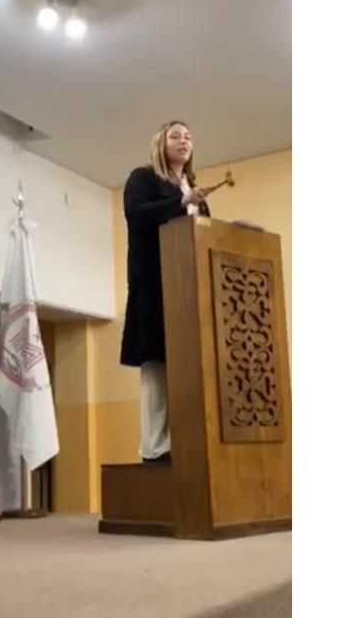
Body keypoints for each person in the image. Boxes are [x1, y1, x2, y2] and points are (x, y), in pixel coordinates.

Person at [120, 120, 212, 465]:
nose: (184, 140)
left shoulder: (193, 189)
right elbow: (136, 215)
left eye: (188, 136)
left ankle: (183, 441)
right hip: (155, 287)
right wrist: (181, 201)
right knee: (157, 366)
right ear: (160, 143)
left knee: (186, 368)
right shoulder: (143, 178)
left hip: (190, 290)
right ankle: (155, 447)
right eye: (175, 135)